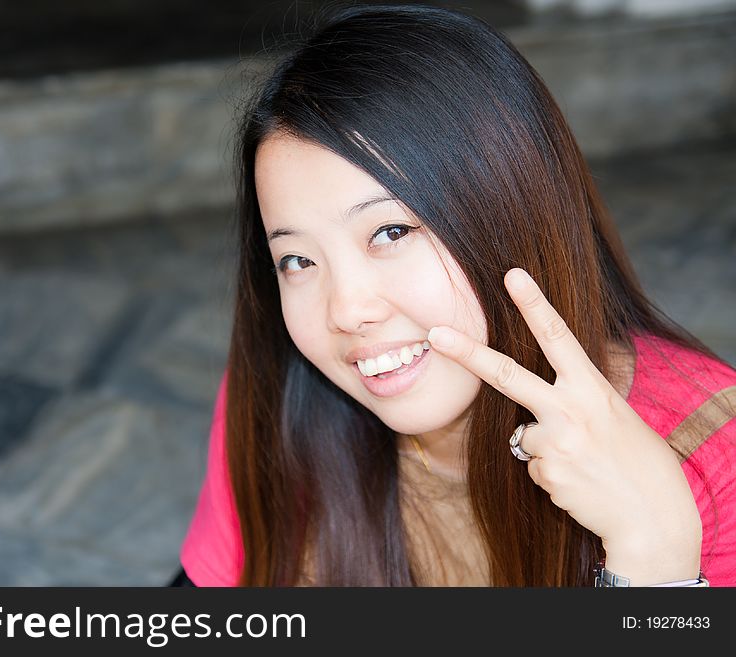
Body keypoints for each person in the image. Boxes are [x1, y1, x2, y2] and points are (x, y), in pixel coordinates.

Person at [174, 4, 736, 587]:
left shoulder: (713, 453)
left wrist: (654, 558)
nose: (345, 311)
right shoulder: (276, 393)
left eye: (390, 233)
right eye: (297, 260)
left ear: (511, 214)